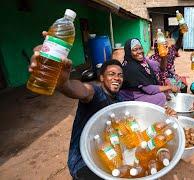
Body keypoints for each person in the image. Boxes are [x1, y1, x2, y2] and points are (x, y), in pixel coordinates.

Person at [29, 39, 177, 179]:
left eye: (119, 75)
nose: (116, 78)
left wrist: (167, 115)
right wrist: (63, 83)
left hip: (113, 157)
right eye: (111, 74)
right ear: (101, 78)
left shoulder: (121, 100)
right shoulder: (95, 93)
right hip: (84, 163)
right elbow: (80, 90)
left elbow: (137, 120)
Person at [120, 38, 178, 107]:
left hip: (141, 91)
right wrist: (169, 87)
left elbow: (161, 68)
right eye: (135, 50)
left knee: (163, 92)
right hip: (132, 97)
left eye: (140, 48)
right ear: (129, 52)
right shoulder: (131, 68)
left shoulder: (143, 61)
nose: (139, 51)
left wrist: (164, 56)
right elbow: (149, 89)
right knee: (161, 97)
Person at [149, 30, 187, 96]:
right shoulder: (153, 59)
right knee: (171, 89)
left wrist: (181, 35)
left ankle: (182, 97)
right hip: (160, 80)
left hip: (171, 76)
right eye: (161, 46)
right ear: (156, 47)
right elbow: (162, 70)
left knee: (184, 85)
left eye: (165, 45)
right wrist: (164, 56)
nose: (165, 47)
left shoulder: (169, 53)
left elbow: (177, 46)